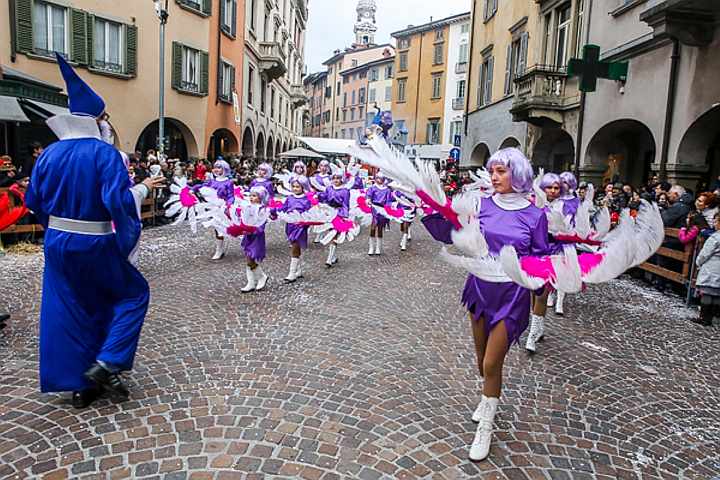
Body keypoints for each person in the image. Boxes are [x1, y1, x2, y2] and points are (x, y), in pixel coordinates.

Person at [25, 53, 161, 409]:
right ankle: (107, 362)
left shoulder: (48, 155)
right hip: (95, 239)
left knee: (71, 307)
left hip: (56, 241)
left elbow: (33, 201)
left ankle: (80, 383)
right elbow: (117, 202)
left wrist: (55, 230)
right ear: (98, 120)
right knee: (134, 293)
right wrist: (125, 236)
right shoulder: (104, 155)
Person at [422, 148, 551, 461]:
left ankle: (487, 427)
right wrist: (431, 206)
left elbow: (541, 257)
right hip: (479, 289)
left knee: (493, 363)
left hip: (513, 296)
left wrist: (539, 280)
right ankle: (487, 396)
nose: (494, 177)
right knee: (482, 363)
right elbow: (453, 234)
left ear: (517, 173)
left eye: (501, 171)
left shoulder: (536, 215)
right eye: (492, 171)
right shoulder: (481, 204)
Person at [273, 176, 313, 283]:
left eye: (298, 187)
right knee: (295, 246)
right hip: (290, 226)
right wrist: (274, 210)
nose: (295, 189)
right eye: (293, 186)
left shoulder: (307, 200)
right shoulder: (289, 198)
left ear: (303, 187)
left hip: (300, 227)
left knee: (295, 247)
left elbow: (310, 213)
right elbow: (283, 209)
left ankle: (291, 273)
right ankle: (298, 270)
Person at [194, 159, 235, 260]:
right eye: (215, 167)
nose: (216, 170)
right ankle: (219, 249)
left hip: (223, 208)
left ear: (224, 169)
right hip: (213, 208)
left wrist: (228, 206)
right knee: (217, 228)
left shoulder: (228, 182)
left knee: (222, 228)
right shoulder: (212, 181)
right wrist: (192, 189)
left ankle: (220, 249)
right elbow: (202, 186)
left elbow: (231, 196)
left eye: (219, 167)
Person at [317, 171, 351, 267]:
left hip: (339, 214)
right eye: (334, 178)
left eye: (338, 178)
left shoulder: (345, 191)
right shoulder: (329, 189)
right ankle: (334, 256)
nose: (336, 180)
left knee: (334, 235)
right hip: (329, 213)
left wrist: (344, 216)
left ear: (342, 179)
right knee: (330, 233)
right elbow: (324, 197)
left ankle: (329, 258)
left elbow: (346, 204)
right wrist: (317, 196)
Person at [240, 186, 270, 293]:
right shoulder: (248, 207)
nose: (251, 198)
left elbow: (261, 224)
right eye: (250, 195)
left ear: (261, 197)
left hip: (257, 236)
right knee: (248, 258)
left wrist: (253, 229)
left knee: (251, 258)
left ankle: (261, 276)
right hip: (248, 235)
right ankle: (251, 282)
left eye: (254, 196)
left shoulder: (263, 209)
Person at [694, 212, 720, 326]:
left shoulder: (715, 237)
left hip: (711, 268)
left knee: (707, 293)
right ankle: (715, 317)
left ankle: (704, 317)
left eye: (715, 221)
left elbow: (705, 253)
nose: (714, 224)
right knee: (717, 293)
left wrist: (698, 262)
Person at [366, 173, 393, 255]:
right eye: (377, 178)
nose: (378, 180)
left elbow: (389, 201)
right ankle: (371, 247)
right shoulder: (372, 188)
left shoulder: (387, 190)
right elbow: (368, 196)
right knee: (373, 228)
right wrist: (368, 200)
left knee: (380, 228)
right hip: (374, 208)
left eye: (380, 178)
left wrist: (388, 211)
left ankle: (378, 248)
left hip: (382, 210)